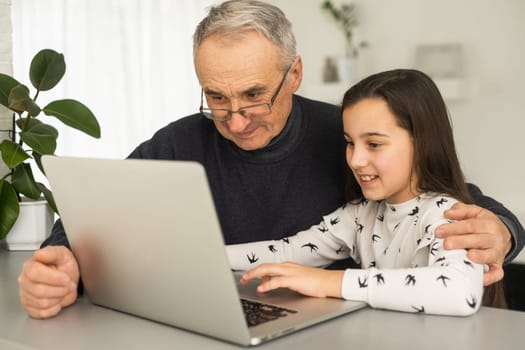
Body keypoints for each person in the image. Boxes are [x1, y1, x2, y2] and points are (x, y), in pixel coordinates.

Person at [18, 0, 524, 319]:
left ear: (295, 73)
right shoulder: (177, 143)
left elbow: (460, 205)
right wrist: (64, 259)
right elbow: (99, 208)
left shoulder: (344, 135)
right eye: (216, 97)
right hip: (226, 316)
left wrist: (503, 229)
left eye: (255, 95)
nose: (236, 120)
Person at [227, 69, 487, 316]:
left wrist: (329, 282)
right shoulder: (361, 215)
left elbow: (460, 292)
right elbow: (288, 252)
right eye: (350, 143)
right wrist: (207, 256)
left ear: (422, 143)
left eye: (374, 144)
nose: (355, 160)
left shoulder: (447, 215)